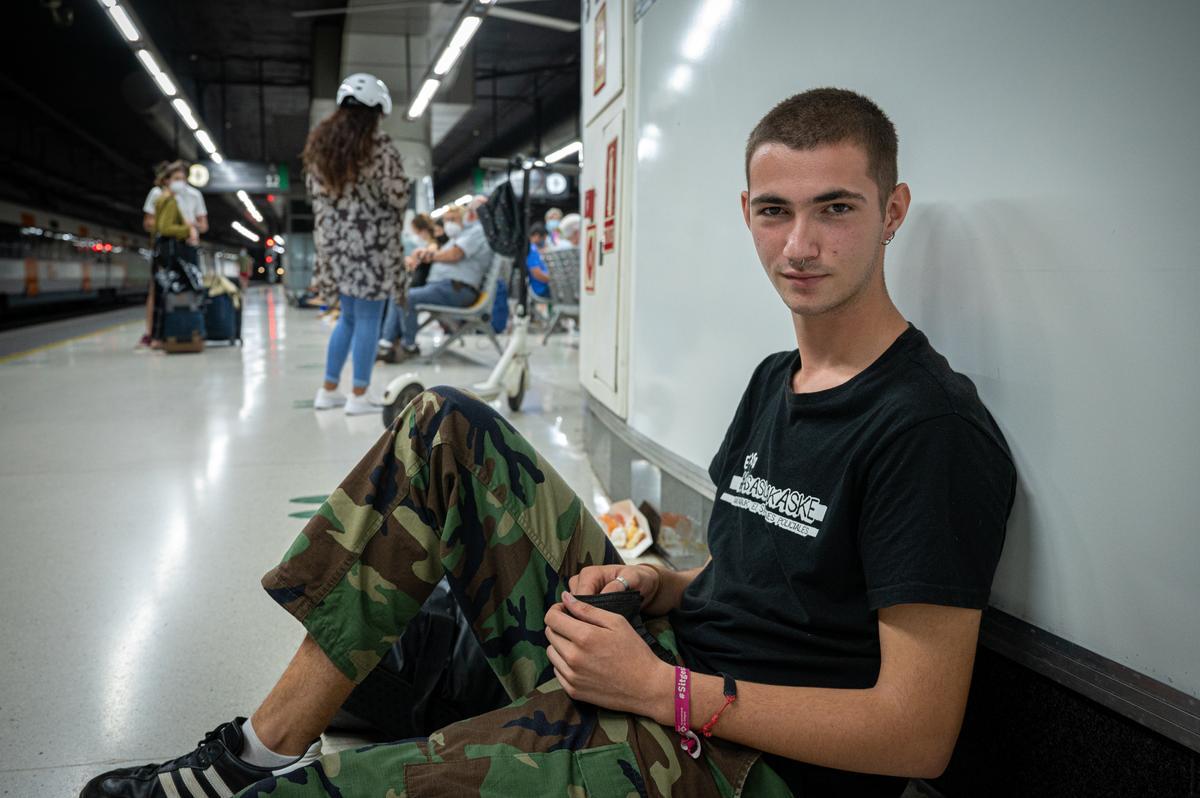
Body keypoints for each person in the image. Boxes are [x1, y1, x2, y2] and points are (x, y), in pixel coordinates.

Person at [82, 88, 1015, 798]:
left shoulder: (928, 430)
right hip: (672, 667)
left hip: (739, 765)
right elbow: (758, 580)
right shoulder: (779, 379)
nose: (800, 244)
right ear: (748, 215)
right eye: (776, 211)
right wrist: (658, 585)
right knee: (443, 419)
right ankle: (257, 751)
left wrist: (663, 693)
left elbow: (915, 734)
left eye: (837, 209)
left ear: (891, 212)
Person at [303, 72, 409, 416]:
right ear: (376, 110)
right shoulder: (377, 147)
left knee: (347, 318)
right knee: (368, 319)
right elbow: (397, 194)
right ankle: (359, 395)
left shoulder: (320, 148)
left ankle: (329, 390)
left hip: (335, 247)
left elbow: (316, 196)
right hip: (371, 246)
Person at [390, 198, 493, 360]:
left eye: (453, 219)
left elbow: (454, 254)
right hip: (446, 287)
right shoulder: (462, 235)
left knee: (405, 297)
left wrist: (430, 255)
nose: (449, 224)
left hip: (457, 289)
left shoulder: (477, 232)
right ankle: (388, 342)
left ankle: (406, 345)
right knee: (400, 294)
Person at [137, 161, 208, 348]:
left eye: (184, 178)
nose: (181, 182)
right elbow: (151, 224)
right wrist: (181, 230)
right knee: (159, 289)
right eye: (177, 178)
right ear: (167, 180)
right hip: (167, 247)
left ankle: (190, 329)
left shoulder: (194, 195)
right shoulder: (159, 195)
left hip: (188, 246)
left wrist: (191, 227)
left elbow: (204, 224)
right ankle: (153, 333)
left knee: (190, 288)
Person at [376, 213, 437, 362]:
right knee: (396, 295)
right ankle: (389, 340)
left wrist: (416, 258)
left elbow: (430, 252)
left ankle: (393, 340)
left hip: (425, 282)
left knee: (400, 296)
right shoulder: (426, 242)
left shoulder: (432, 243)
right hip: (422, 280)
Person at [526, 222, 551, 299]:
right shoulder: (532, 250)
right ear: (537, 236)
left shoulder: (534, 249)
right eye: (544, 238)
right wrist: (553, 280)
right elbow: (537, 274)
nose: (544, 241)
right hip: (541, 289)